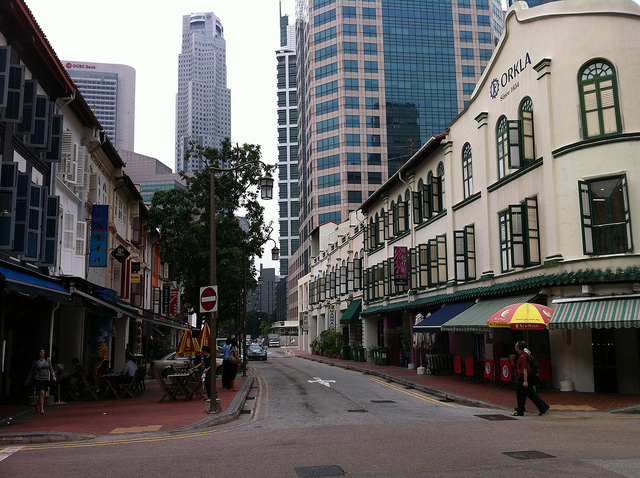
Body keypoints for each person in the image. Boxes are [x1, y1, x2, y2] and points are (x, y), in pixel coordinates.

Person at [513, 340, 550, 416]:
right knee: (530, 393)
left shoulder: (523, 356)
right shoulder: (526, 354)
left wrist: (525, 380)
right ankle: (542, 406)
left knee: (521, 392)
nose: (515, 347)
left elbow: (525, 368)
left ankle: (520, 411)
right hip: (527, 376)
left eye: (516, 346)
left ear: (519, 347)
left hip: (525, 376)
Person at [25, 348, 56, 415]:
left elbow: (51, 368)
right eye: (41, 352)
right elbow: (32, 371)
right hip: (38, 379)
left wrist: (53, 375)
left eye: (43, 352)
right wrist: (28, 379)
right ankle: (42, 409)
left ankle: (37, 404)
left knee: (43, 394)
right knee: (41, 392)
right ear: (38, 353)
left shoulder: (47, 360)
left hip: (46, 378)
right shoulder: (36, 362)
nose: (42, 353)